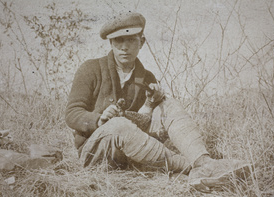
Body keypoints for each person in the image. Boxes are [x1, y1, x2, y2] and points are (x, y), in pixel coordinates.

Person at [65, 12, 251, 193]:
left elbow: (141, 125)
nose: (124, 47)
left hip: (133, 153)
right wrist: (99, 119)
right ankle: (190, 168)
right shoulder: (91, 68)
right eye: (119, 40)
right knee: (119, 125)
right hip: (96, 153)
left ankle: (204, 163)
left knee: (169, 104)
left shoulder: (146, 76)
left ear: (142, 42)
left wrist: (150, 104)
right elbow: (72, 113)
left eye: (131, 40)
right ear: (111, 43)